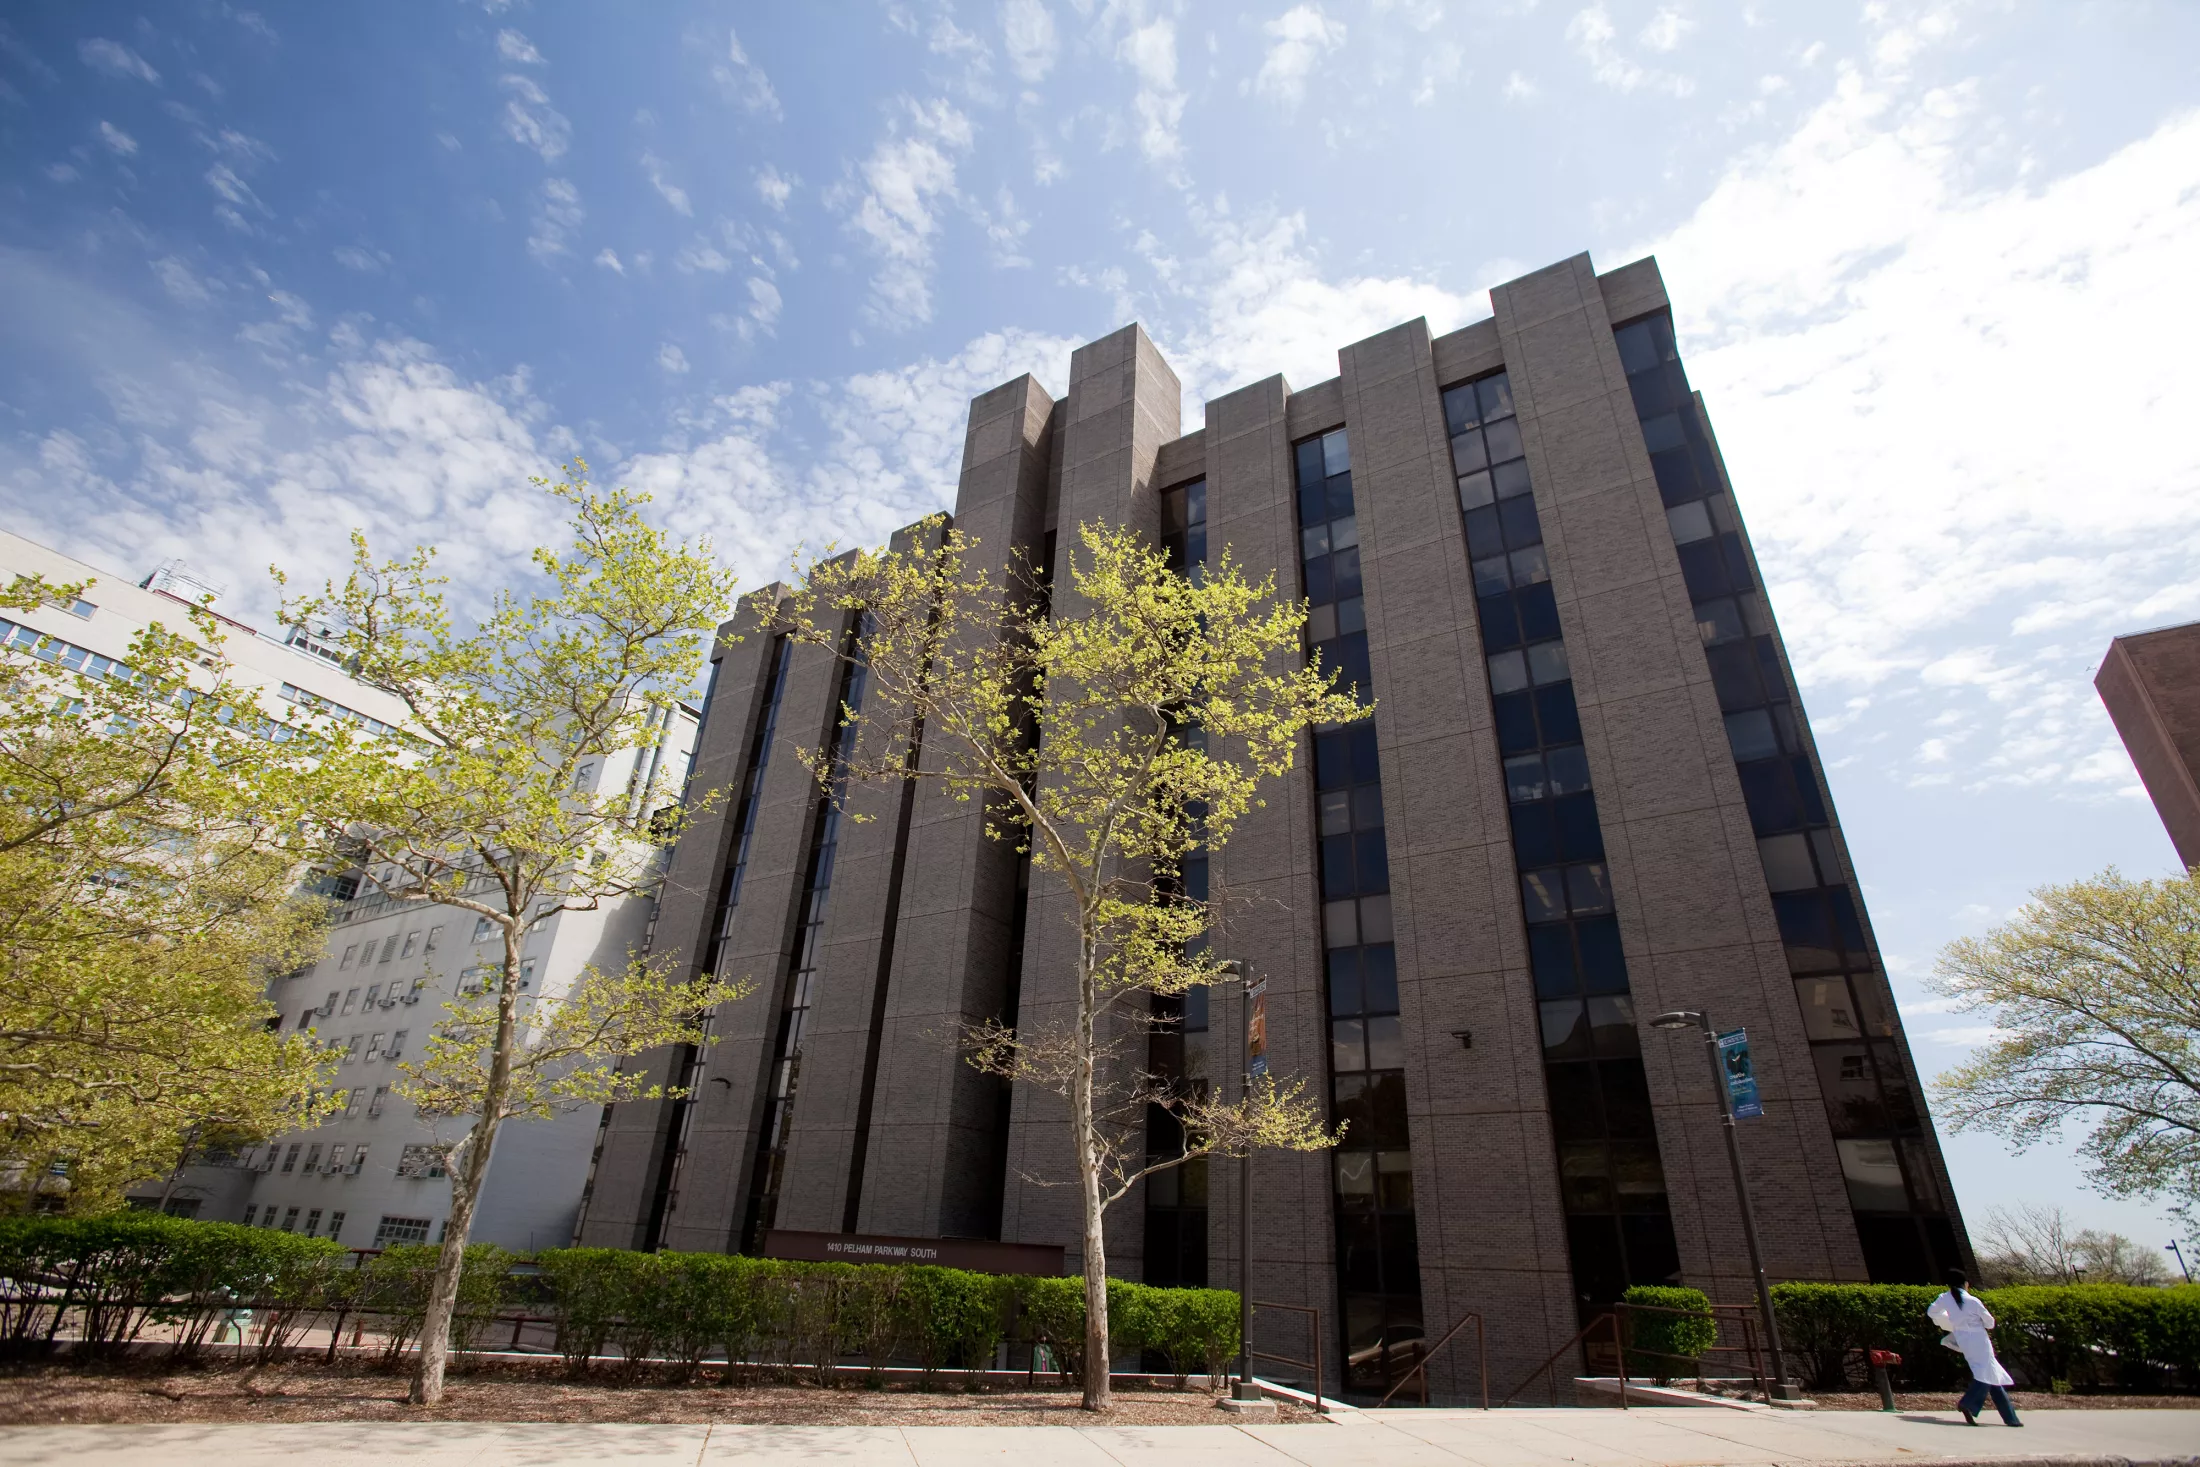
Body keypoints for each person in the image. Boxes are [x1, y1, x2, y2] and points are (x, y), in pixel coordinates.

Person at [1927, 1269, 2021, 1426]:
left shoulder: (1944, 1298)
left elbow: (1932, 1312)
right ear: (1965, 1284)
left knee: (1991, 1374)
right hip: (1979, 1339)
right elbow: (1990, 1323)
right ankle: (1968, 1403)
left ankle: (2011, 1417)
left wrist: (1952, 1322)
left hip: (1963, 1339)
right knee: (1985, 1373)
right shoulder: (1973, 1301)